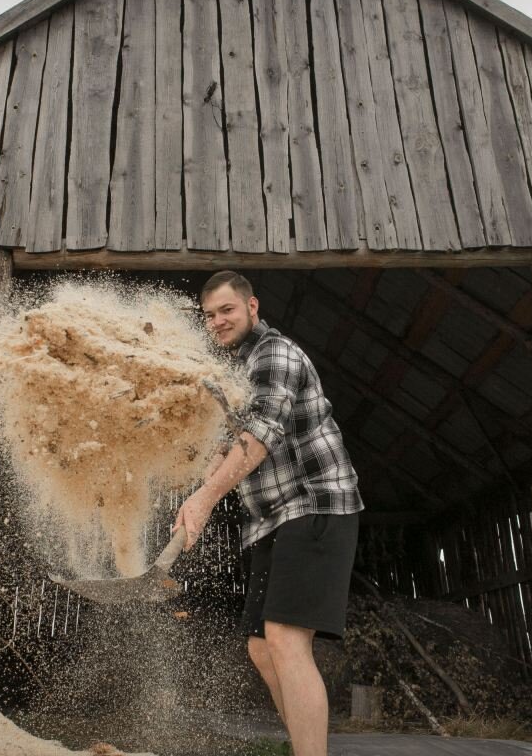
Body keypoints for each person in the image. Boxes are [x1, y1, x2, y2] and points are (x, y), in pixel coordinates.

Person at [173, 270, 363, 756]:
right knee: (261, 647)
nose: (217, 321)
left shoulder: (274, 353)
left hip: (313, 502)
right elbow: (227, 445)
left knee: (283, 637)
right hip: (268, 520)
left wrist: (206, 499)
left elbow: (259, 435)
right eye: (209, 315)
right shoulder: (237, 373)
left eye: (227, 310)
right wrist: (193, 498)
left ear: (252, 307)